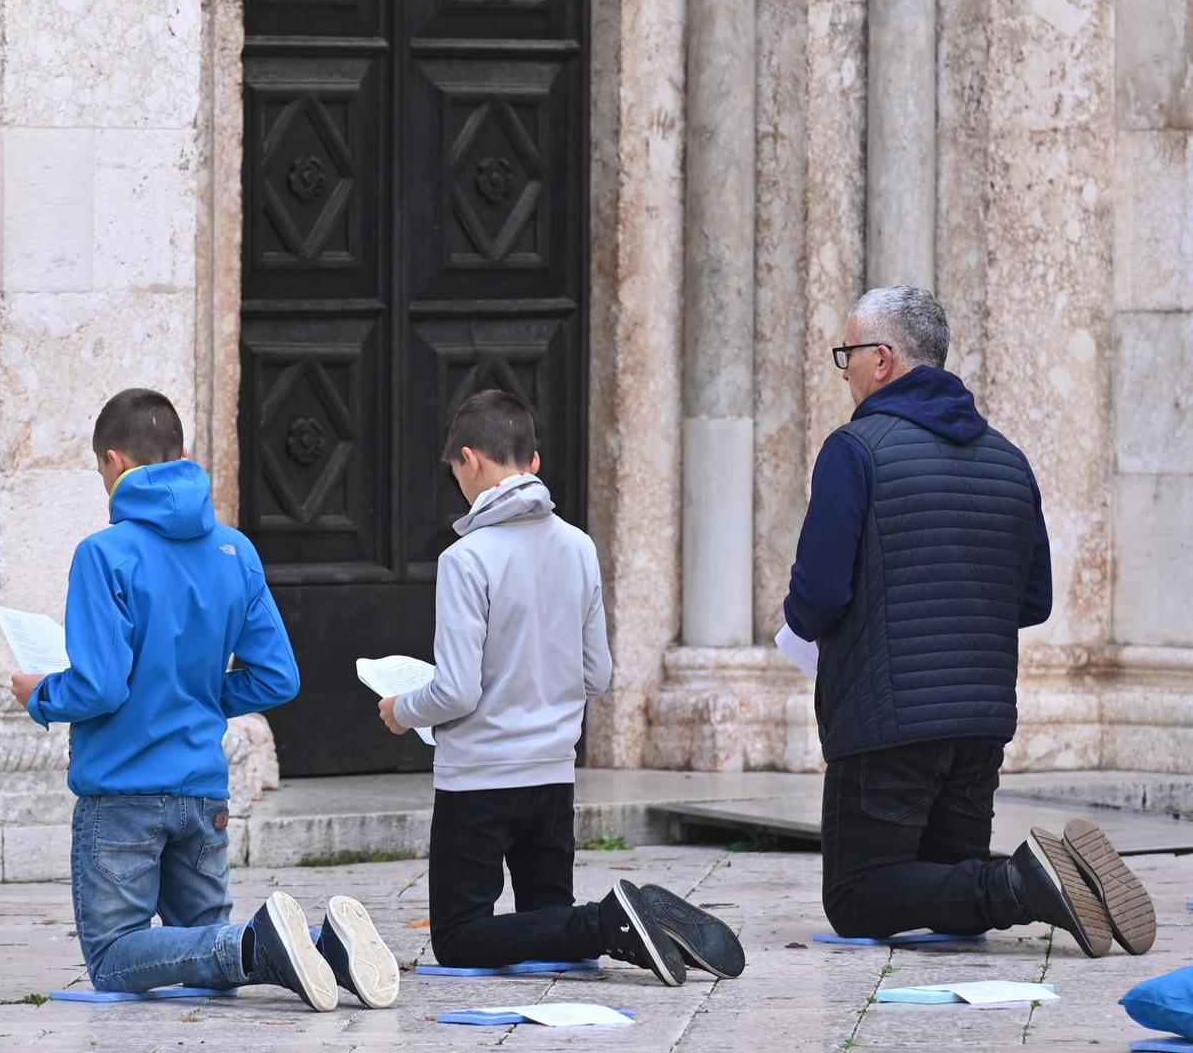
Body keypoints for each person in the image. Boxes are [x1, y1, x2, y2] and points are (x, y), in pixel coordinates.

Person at [788, 285, 1155, 957]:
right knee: (953, 903)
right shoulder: (1008, 459)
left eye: (848, 354)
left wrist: (812, 625)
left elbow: (817, 593)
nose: (844, 371)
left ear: (884, 358)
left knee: (858, 896)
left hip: (885, 719)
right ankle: (1045, 880)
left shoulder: (856, 450)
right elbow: (1034, 600)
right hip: (980, 720)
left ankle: (1022, 883)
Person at [10, 388, 399, 1010]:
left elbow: (101, 686)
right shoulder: (235, 549)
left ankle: (259, 947)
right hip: (202, 788)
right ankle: (328, 948)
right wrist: (198, 695)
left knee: (114, 956)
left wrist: (40, 693)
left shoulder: (104, 553)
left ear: (113, 462)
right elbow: (278, 679)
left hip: (122, 792)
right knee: (207, 950)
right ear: (182, 453)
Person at [379, 390, 745, 984]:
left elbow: (457, 693)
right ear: (535, 462)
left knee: (457, 935)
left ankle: (607, 923)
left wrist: (401, 708)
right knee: (553, 933)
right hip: (552, 775)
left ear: (468, 460)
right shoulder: (578, 546)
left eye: (455, 472)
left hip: (480, 778)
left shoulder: (466, 559)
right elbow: (597, 675)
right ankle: (615, 921)